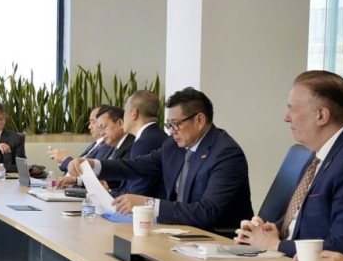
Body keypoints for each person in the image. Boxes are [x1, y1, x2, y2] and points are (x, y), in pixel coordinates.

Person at [69, 87, 253, 231]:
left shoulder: (226, 154)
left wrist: (147, 204)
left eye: (176, 124)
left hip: (216, 239)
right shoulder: (173, 145)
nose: (171, 131)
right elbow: (138, 166)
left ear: (199, 120)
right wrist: (94, 165)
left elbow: (207, 212)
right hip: (177, 232)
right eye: (168, 124)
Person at [235, 70, 343, 257]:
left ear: (321, 115)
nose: (286, 117)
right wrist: (270, 230)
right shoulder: (317, 156)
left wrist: (277, 245)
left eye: (293, 109)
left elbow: (341, 246)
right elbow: (303, 218)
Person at [57, 105, 134, 190]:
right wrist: (77, 181)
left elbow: (116, 179)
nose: (101, 133)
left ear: (120, 123)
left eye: (104, 127)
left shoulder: (131, 145)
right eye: (100, 129)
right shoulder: (118, 146)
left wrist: (77, 180)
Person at [120, 90, 169, 196]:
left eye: (124, 112)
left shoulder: (145, 143)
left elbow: (136, 193)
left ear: (134, 114)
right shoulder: (157, 136)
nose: (122, 118)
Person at [48, 105, 114, 172]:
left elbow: (90, 173)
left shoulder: (107, 145)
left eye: (93, 122)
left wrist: (65, 159)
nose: (89, 127)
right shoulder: (95, 143)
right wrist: (61, 160)